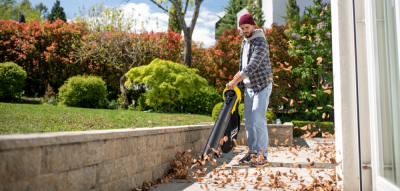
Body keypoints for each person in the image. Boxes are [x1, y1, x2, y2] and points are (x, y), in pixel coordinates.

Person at [226, 14, 273, 167]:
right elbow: (242, 66)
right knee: (249, 122)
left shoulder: (260, 42)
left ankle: (262, 156)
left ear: (253, 26)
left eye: (246, 28)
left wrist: (234, 80)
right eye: (242, 29)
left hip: (261, 85)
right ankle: (253, 152)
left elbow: (251, 66)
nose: (244, 31)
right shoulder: (244, 42)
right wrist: (238, 84)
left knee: (258, 120)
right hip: (248, 87)